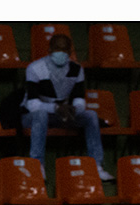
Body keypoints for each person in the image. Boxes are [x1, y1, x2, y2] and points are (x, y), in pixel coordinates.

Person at [20, 33, 113, 181]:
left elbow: (79, 99)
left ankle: (96, 166)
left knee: (91, 115)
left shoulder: (76, 69)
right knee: (40, 115)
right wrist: (56, 108)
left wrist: (75, 109)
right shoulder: (35, 68)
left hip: (60, 114)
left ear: (70, 52)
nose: (61, 52)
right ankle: (37, 165)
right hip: (32, 116)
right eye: (57, 48)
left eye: (64, 49)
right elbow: (32, 104)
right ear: (50, 50)